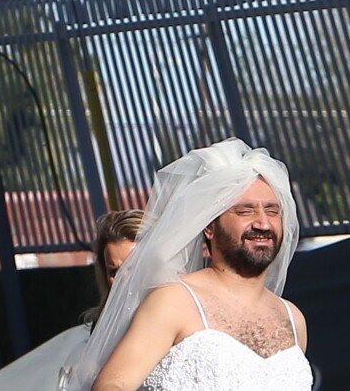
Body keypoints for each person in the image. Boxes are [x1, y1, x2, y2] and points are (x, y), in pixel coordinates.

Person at [66, 138, 313, 391]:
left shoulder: (293, 318)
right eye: (245, 211)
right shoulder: (174, 301)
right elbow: (112, 385)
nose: (262, 223)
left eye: (272, 211)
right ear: (209, 225)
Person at [83, 209, 145, 330]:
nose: (123, 278)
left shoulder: (181, 310)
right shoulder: (102, 325)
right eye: (114, 271)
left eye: (132, 268)